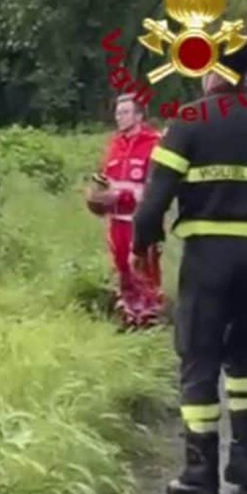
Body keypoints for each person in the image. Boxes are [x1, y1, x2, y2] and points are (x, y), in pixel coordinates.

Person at [131, 43, 247, 494]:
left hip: (208, 262)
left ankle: (199, 475)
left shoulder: (190, 120)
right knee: (243, 358)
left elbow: (154, 200)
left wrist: (142, 245)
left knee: (199, 359)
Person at [85, 93, 165, 329]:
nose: (119, 117)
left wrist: (122, 195)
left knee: (144, 270)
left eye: (125, 112)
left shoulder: (154, 144)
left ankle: (150, 318)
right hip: (116, 221)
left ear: (139, 115)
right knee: (122, 270)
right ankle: (129, 317)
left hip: (141, 221)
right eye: (118, 113)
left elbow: (156, 188)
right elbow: (105, 179)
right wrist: (96, 196)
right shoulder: (114, 145)